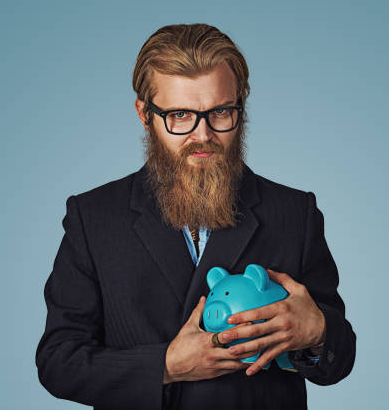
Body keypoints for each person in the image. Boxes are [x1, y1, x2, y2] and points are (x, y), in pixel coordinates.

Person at [36, 23, 356, 410]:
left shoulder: (294, 212)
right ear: (144, 114)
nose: (202, 135)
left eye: (220, 112)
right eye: (180, 115)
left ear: (241, 106)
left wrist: (318, 332)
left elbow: (340, 357)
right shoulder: (93, 217)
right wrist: (166, 366)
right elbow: (58, 362)